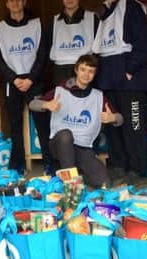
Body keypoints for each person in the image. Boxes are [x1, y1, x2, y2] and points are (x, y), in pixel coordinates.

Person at [92, 0, 147, 184]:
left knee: (134, 126)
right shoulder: (104, 12)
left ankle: (138, 169)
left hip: (130, 79)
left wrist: (129, 70)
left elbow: (144, 44)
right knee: (112, 125)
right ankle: (119, 165)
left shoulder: (131, 6)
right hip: (108, 78)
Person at [29, 54, 123, 188]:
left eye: (91, 71)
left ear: (95, 74)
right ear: (76, 70)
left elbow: (120, 119)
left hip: (83, 147)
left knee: (104, 183)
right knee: (66, 135)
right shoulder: (61, 90)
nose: (86, 74)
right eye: (83, 70)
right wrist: (46, 105)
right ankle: (71, 184)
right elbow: (32, 104)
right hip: (60, 143)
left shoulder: (98, 96)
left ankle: (78, 177)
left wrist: (113, 118)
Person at [0, 0, 53, 174]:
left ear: (24, 2)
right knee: (15, 125)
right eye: (11, 0)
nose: (15, 3)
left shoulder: (36, 24)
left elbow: (43, 54)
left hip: (33, 81)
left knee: (42, 123)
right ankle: (17, 164)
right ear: (6, 4)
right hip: (13, 82)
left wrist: (31, 79)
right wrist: (14, 78)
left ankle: (49, 163)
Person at [49, 0, 99, 84]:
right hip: (60, 72)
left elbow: (98, 50)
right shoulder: (54, 21)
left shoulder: (92, 18)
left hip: (84, 70)